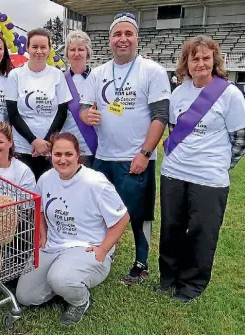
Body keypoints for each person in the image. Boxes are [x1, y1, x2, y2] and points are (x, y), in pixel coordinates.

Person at [80, 13, 171, 285]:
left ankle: (140, 264)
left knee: (137, 213)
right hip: (104, 156)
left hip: (135, 157)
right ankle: (98, 255)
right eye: (117, 34)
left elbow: (160, 116)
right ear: (110, 40)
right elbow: (85, 108)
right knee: (97, 210)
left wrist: (144, 153)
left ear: (137, 39)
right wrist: (87, 116)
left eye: (128, 34)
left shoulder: (152, 71)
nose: (123, 39)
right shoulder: (98, 73)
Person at [159, 35, 245, 303]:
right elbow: (174, 131)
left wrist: (220, 164)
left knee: (201, 232)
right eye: (194, 58)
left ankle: (191, 285)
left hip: (209, 178)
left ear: (215, 61)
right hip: (174, 172)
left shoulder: (229, 94)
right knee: (171, 227)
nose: (200, 63)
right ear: (186, 62)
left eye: (206, 58)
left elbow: (240, 139)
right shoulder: (179, 92)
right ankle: (168, 278)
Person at [15, 132, 129, 326]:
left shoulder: (95, 182)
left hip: (88, 246)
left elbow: (122, 218)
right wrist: (43, 233)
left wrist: (103, 249)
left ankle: (79, 300)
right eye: (57, 154)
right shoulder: (45, 179)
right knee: (26, 296)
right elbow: (40, 209)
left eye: (68, 154)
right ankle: (63, 284)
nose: (62, 159)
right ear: (50, 155)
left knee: (60, 278)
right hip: (55, 244)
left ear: (78, 155)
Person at [6, 28, 72, 180]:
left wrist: (46, 143)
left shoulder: (57, 75)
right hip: (22, 147)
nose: (39, 51)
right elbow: (13, 113)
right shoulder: (15, 75)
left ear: (49, 49)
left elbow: (62, 112)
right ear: (27, 48)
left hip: (49, 149)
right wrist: (34, 141)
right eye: (35, 47)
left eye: (43, 47)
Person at [61, 30, 96, 167]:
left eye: (80, 49)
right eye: (72, 50)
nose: (76, 54)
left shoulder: (98, 77)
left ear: (87, 52)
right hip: (68, 147)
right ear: (67, 53)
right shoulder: (59, 79)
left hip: (94, 147)